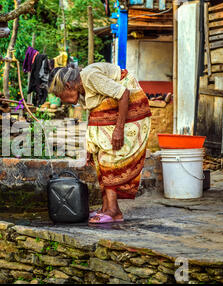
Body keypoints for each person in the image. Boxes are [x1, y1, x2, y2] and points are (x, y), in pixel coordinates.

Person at [48, 62, 152, 224]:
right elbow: (95, 114)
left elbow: (124, 94)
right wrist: (90, 142)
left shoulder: (89, 77)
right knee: (98, 156)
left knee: (107, 157)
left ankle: (114, 211)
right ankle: (106, 208)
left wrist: (119, 129)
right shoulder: (82, 90)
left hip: (131, 107)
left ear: (68, 85)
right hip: (113, 110)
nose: (62, 101)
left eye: (61, 95)